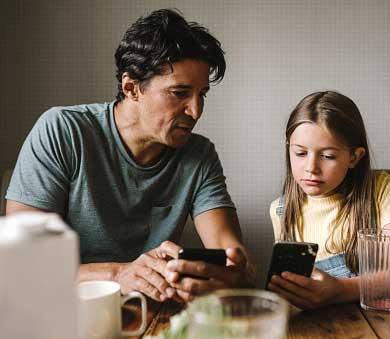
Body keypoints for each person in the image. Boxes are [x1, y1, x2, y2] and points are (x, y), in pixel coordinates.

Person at [5, 8, 253, 303]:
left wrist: (229, 276)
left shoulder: (199, 156)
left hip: (154, 315)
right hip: (64, 311)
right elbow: (21, 264)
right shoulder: (61, 130)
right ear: (131, 88)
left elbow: (238, 260)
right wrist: (118, 274)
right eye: (179, 93)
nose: (196, 111)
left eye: (202, 95)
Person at [267, 91, 390, 309]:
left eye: (328, 156)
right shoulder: (280, 210)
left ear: (354, 157)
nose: (311, 168)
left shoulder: (379, 189)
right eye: (300, 153)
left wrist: (340, 289)